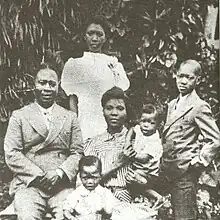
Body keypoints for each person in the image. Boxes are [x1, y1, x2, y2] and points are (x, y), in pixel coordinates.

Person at [4, 63, 83, 220]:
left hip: (61, 185)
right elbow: (12, 152)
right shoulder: (19, 116)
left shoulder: (70, 117)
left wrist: (59, 173)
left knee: (70, 216)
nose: (47, 88)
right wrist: (39, 175)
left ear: (58, 87)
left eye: (52, 84)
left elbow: (78, 152)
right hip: (29, 185)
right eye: (42, 83)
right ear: (34, 85)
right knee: (27, 216)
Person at [159, 60, 220, 219]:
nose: (183, 81)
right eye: (180, 76)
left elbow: (215, 139)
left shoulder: (199, 106)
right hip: (168, 170)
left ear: (198, 80)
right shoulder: (172, 104)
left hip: (185, 174)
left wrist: (198, 161)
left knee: (184, 215)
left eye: (189, 77)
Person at [61, 16, 130, 141]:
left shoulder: (113, 64)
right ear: (84, 36)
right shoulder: (74, 64)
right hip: (85, 121)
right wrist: (75, 128)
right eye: (90, 33)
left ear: (105, 38)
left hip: (109, 122)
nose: (94, 38)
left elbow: (120, 98)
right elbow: (72, 100)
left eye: (99, 34)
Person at [84, 87, 136, 203]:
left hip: (129, 199)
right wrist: (118, 163)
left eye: (120, 108)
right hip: (98, 199)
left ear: (127, 112)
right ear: (103, 111)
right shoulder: (93, 144)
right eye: (109, 108)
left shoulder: (136, 141)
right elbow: (88, 180)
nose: (114, 113)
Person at [125, 104, 163, 206]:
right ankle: (138, 194)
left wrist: (130, 155)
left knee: (132, 177)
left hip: (149, 172)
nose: (146, 125)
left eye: (151, 123)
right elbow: (132, 130)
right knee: (130, 177)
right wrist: (127, 142)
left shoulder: (154, 141)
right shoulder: (140, 129)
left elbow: (144, 158)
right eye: (143, 121)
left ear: (158, 125)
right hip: (140, 168)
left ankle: (157, 196)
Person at [63, 155, 119, 220]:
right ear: (80, 176)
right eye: (85, 178)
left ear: (100, 176)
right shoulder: (77, 193)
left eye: (94, 177)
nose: (90, 181)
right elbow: (66, 210)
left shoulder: (104, 193)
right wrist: (71, 218)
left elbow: (111, 212)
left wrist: (106, 212)